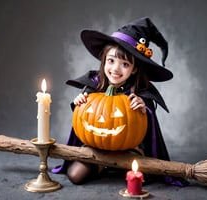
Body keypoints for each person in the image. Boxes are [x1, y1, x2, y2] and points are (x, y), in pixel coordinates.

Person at [52, 17, 189, 186]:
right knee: (75, 175)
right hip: (96, 147)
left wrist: (144, 110)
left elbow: (148, 126)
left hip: (129, 149)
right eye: (111, 61)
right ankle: (103, 165)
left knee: (141, 178)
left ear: (134, 68)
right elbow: (83, 116)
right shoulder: (95, 84)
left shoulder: (139, 92)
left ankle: (117, 165)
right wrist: (79, 102)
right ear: (104, 60)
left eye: (124, 64)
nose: (115, 69)